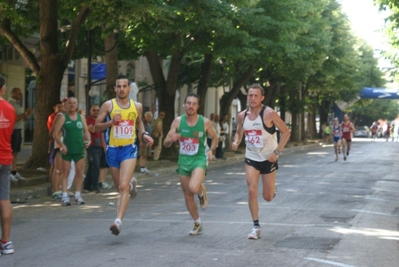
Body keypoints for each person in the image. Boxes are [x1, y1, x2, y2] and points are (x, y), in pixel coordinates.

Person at [95, 74, 153, 236]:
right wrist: (110, 122)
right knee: (119, 187)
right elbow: (96, 127)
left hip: (129, 148)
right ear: (115, 89)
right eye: (118, 86)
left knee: (122, 186)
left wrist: (144, 135)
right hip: (113, 150)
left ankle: (118, 221)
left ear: (129, 88)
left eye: (124, 86)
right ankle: (132, 183)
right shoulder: (108, 105)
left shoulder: (137, 106)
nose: (121, 89)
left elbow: (139, 122)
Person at [231, 84, 290, 240]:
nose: (252, 98)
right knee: (251, 190)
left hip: (268, 158)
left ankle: (272, 189)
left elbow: (286, 132)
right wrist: (236, 141)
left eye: (256, 95)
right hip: (251, 157)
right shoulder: (242, 116)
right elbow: (239, 132)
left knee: (268, 197)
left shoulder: (269, 114)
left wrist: (276, 152)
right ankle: (255, 226)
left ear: (262, 98)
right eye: (250, 95)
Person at [163, 93, 218, 236]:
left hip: (199, 159)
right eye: (188, 103)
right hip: (184, 161)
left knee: (193, 187)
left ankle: (201, 191)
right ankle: (198, 222)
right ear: (184, 105)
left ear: (198, 107)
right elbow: (166, 143)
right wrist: (171, 139)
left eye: (194, 104)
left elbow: (215, 137)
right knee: (187, 195)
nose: (191, 106)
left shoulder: (205, 122)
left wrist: (211, 150)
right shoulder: (177, 122)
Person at [52, 97, 91, 206]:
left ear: (77, 105)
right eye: (70, 103)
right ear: (66, 105)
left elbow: (86, 131)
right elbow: (55, 133)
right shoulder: (62, 117)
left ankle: (78, 195)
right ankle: (64, 196)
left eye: (74, 103)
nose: (72, 105)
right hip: (67, 150)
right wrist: (62, 145)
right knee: (65, 172)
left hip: (79, 149)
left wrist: (88, 140)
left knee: (79, 172)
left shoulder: (81, 117)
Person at [0, 76, 16, 255]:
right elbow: (10, 131)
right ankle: (6, 241)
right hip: (5, 158)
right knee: (4, 199)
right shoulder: (10, 109)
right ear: (3, 89)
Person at [7, 87, 33, 182]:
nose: (21, 96)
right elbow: (13, 118)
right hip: (13, 130)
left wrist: (26, 115)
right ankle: (9, 172)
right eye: (19, 94)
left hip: (18, 129)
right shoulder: (10, 104)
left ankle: (14, 171)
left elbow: (20, 117)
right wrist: (25, 113)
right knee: (12, 151)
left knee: (16, 152)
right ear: (13, 93)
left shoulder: (18, 104)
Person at [83, 105, 103, 193]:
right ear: (90, 111)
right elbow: (93, 129)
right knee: (95, 165)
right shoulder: (88, 120)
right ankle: (95, 185)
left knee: (93, 166)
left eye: (98, 110)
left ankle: (87, 186)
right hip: (91, 145)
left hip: (99, 145)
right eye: (94, 110)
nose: (96, 112)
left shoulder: (99, 120)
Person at [47, 101, 63, 199]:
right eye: (58, 106)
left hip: (61, 142)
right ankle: (54, 188)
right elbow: (52, 131)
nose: (60, 108)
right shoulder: (53, 116)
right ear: (54, 107)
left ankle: (56, 188)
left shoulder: (63, 116)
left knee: (58, 167)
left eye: (62, 106)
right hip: (55, 142)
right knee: (54, 166)